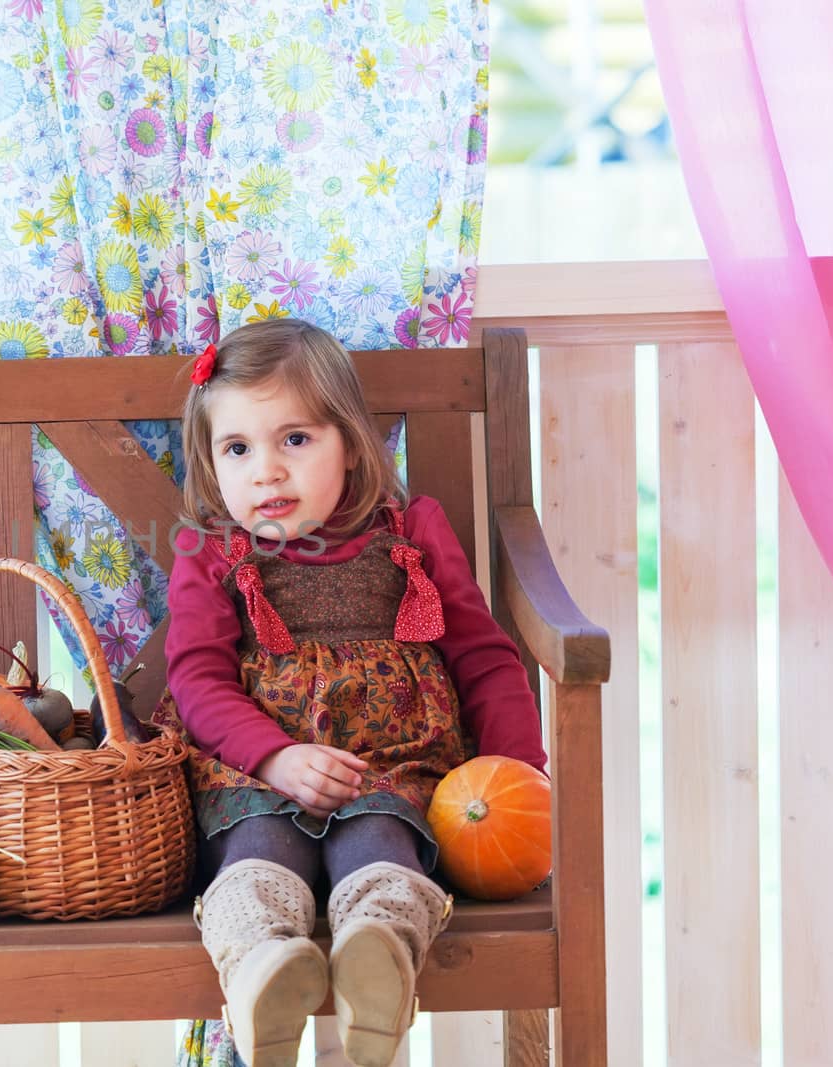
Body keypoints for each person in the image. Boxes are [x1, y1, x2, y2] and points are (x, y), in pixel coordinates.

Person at [154, 318, 547, 1067]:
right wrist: (273, 757)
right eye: (238, 449)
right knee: (254, 861)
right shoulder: (212, 551)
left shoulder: (408, 531)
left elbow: (484, 658)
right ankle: (262, 970)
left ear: (349, 441)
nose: (266, 471)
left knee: (383, 851)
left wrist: (516, 775)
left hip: (390, 772)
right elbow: (197, 681)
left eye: (294, 440)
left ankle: (379, 960)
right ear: (211, 462)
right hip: (256, 783)